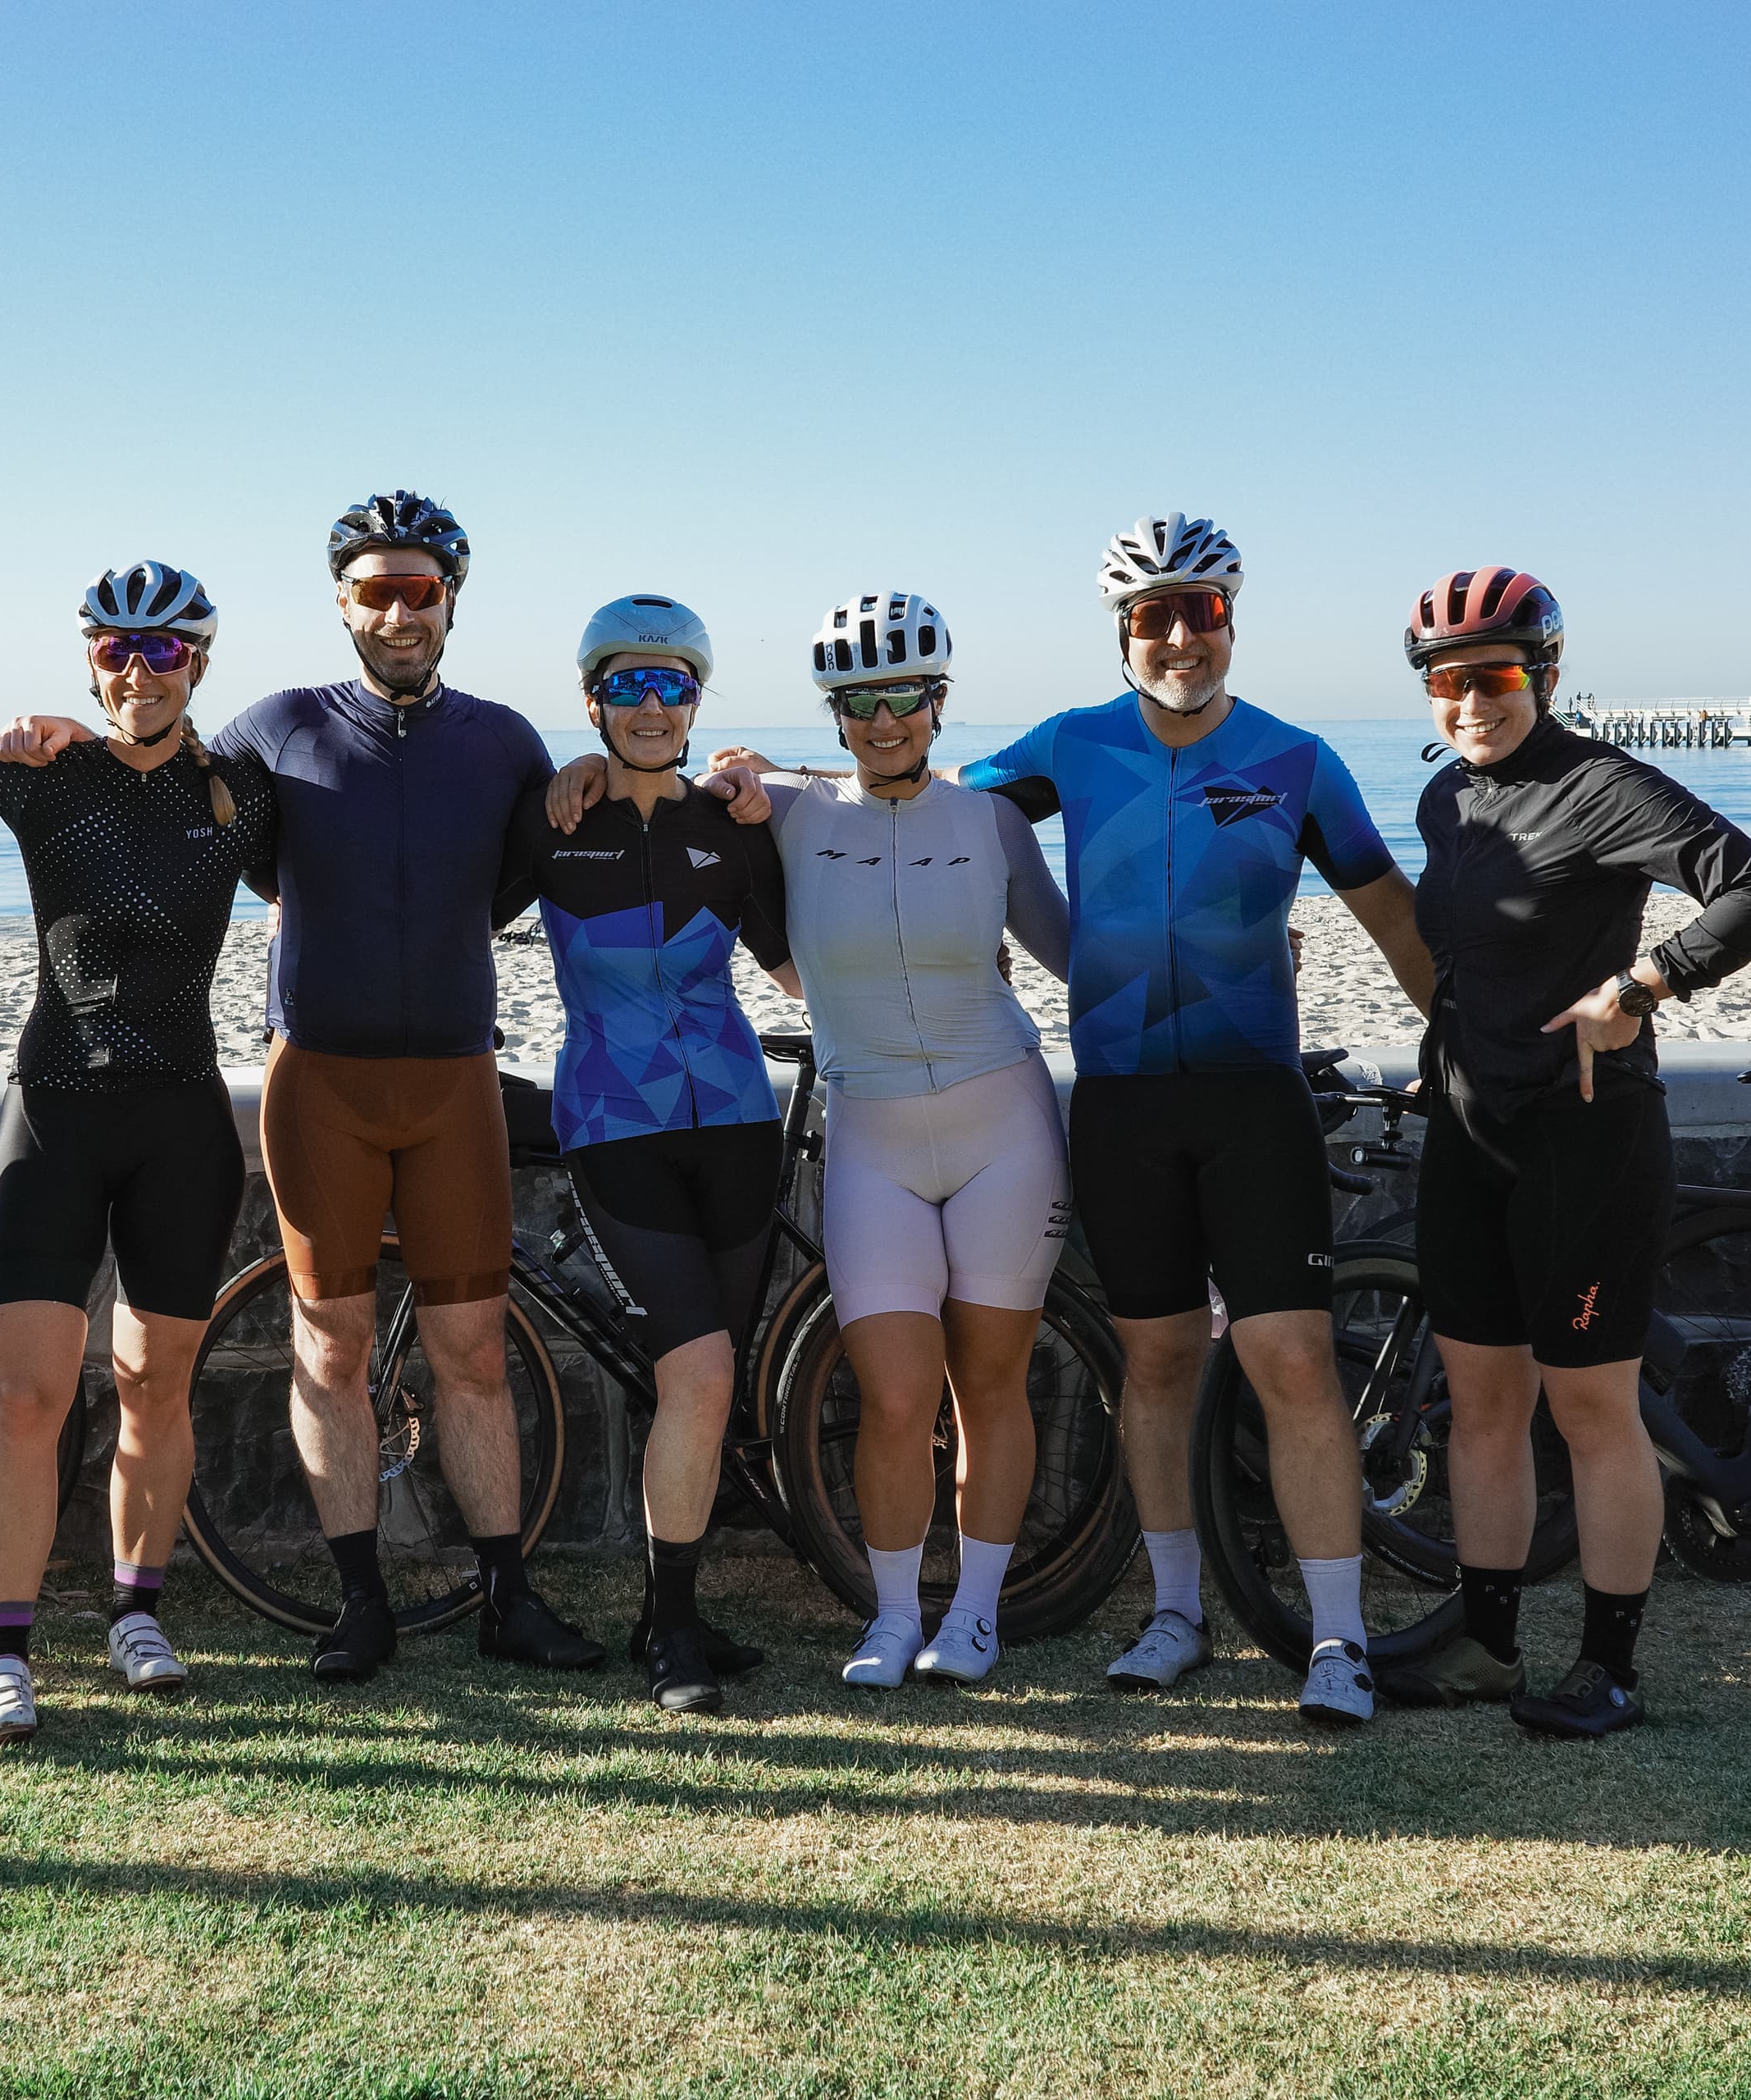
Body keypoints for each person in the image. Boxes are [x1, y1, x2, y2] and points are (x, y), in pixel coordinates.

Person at [687, 521, 1433, 1726]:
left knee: (1289, 1360)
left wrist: (1455, 1038)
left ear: (1231, 620)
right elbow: (909, 799)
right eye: (1154, 617)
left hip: (1253, 1097)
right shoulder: (1069, 749)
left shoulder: (1301, 761)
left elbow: (1395, 916)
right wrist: (758, 778)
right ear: (1123, 632)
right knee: (1155, 1360)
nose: (1180, 635)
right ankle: (1177, 1616)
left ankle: (1339, 1639)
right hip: (1126, 1103)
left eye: (1201, 612)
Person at [0, 491, 602, 1683]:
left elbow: (525, 873)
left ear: (450, 598)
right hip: (318, 1079)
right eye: (372, 589)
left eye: (417, 588)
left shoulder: (505, 744)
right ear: (340, 602)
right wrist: (60, 740)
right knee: (330, 1347)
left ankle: (506, 1596)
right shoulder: (272, 730)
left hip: (455, 1083)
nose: (395, 609)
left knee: (473, 1348)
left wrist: (700, 773)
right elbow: (155, 778)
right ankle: (361, 1602)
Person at [1381, 567, 1751, 1737]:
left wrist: (1645, 982)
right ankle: (1488, 1648)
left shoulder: (1599, 786)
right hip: (1472, 1133)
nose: (1472, 702)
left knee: (1590, 1408)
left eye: (1498, 677)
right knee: (1480, 1405)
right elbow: (1473, 961)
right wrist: (1444, 1050)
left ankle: (1609, 1669)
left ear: (1545, 676)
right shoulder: (1445, 805)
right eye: (1448, 681)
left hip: (1586, 1138)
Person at [0, 562, 276, 1747]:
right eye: (116, 650)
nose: (139, 671)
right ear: (89, 657)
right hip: (58, 1114)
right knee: (31, 1395)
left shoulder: (241, 793)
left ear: (200, 661)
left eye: (166, 651)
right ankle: (6, 1655)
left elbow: (368, 860)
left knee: (155, 1386)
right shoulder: (50, 777)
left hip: (181, 1123)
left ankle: (139, 1615)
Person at [730, 594, 1077, 1688]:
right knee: (891, 1395)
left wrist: (1241, 953)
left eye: (905, 699)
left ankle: (971, 1618)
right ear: (835, 713)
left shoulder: (992, 824)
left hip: (1003, 1125)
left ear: (939, 702)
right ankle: (889, 1617)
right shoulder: (784, 811)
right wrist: (704, 774)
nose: (885, 723)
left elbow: (1082, 960)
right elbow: (680, 800)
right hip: (872, 1130)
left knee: (989, 1387)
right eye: (860, 702)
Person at [493, 595, 797, 1713]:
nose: (655, 706)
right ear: (594, 700)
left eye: (675, 685)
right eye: (630, 685)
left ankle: (680, 1610)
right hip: (614, 1125)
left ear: (698, 701)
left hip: (736, 1123)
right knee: (701, 1371)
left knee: (707, 1390)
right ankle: (669, 1636)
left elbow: (798, 969)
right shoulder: (555, 818)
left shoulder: (736, 823)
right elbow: (441, 917)